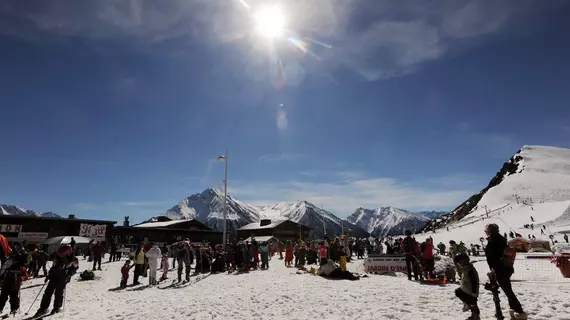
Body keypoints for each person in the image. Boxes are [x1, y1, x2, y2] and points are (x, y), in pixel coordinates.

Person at [484, 224, 527, 320]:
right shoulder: (501, 239)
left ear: (490, 231)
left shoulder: (493, 241)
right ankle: (513, 309)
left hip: (500, 270)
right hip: (506, 268)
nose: (485, 232)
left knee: (508, 291)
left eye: (486, 230)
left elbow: (494, 258)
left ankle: (519, 311)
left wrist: (493, 270)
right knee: (508, 288)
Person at [34, 244, 79, 317]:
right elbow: (53, 267)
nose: (61, 254)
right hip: (54, 276)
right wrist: (49, 275)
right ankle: (43, 308)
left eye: (63, 252)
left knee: (58, 293)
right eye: (61, 252)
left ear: (68, 252)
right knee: (47, 293)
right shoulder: (57, 258)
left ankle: (56, 307)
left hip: (63, 278)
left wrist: (69, 274)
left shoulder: (73, 259)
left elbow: (75, 269)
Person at [0, 249, 28, 316]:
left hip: (13, 282)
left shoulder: (19, 265)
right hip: (11, 282)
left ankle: (14, 309)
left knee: (11, 296)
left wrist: (22, 278)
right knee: (7, 295)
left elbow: (26, 275)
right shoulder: (10, 263)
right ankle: (11, 309)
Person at [454, 253, 480, 320]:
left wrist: (474, 293)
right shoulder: (466, 269)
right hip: (467, 289)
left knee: (471, 301)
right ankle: (473, 312)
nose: (459, 265)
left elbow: (474, 282)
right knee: (459, 292)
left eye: (459, 263)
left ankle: (475, 316)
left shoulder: (470, 270)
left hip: (471, 291)